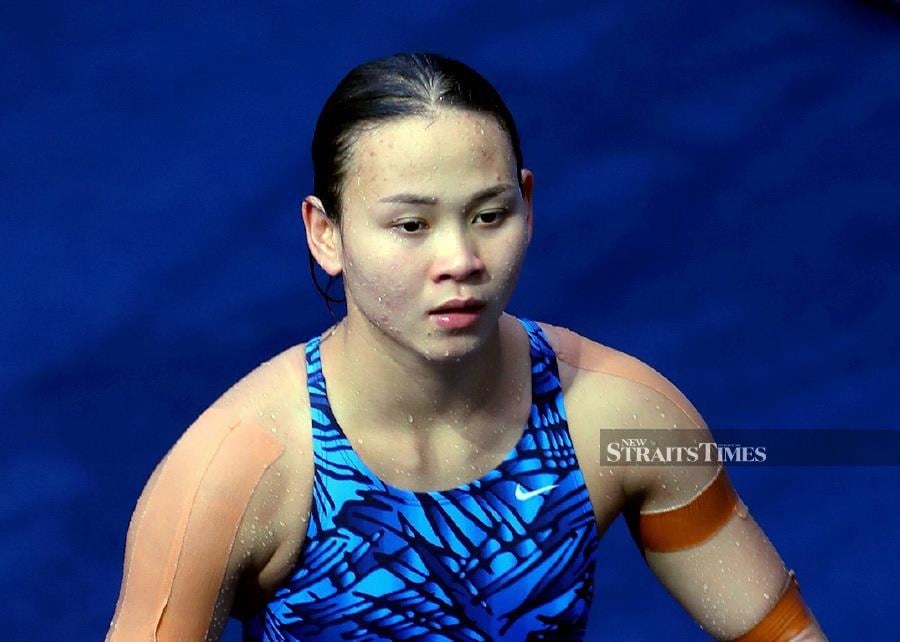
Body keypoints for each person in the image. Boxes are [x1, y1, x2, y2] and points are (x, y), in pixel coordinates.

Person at [106, 52, 825, 642]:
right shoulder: (238, 474)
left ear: (529, 205)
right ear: (325, 233)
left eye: (488, 215)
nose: (460, 260)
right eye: (411, 225)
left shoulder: (619, 418)